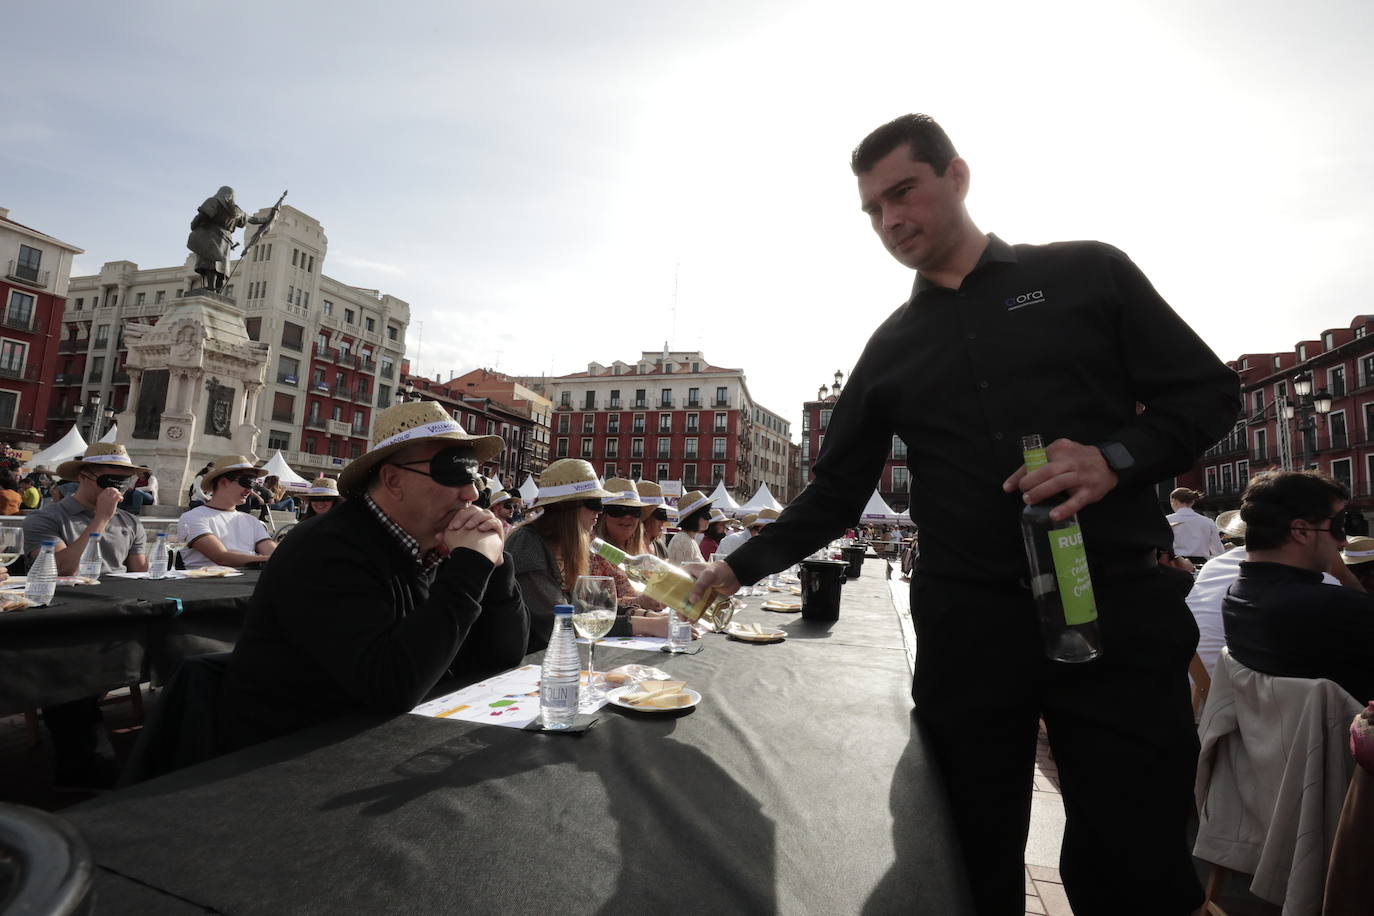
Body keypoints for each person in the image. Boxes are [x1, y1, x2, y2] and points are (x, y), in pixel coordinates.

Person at [688, 113, 1240, 913]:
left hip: (1116, 610)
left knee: (1138, 861)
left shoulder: (1090, 272)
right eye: (874, 210)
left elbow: (1209, 392)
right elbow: (836, 493)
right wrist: (731, 566)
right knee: (960, 857)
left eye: (903, 192)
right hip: (968, 629)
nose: (891, 221)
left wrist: (1113, 458)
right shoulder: (889, 348)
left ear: (958, 175)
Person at [221, 401, 528, 751]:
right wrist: (470, 568)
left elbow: (503, 655)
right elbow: (390, 687)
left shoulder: (440, 545)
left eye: (473, 475)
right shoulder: (325, 549)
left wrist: (496, 566)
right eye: (453, 473)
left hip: (389, 744)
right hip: (287, 760)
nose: (472, 493)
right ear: (393, 480)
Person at [22, 444, 150, 790]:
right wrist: (101, 519)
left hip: (120, 616)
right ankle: (83, 769)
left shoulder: (131, 523)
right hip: (67, 619)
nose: (118, 489)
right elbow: (60, 570)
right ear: (84, 477)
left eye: (125, 481)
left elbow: (141, 575)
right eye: (111, 480)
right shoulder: (45, 519)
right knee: (68, 674)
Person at [1222, 471, 1374, 703]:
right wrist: (1347, 577)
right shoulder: (1336, 607)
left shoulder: (1235, 597)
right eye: (1338, 526)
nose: (1342, 542)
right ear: (1302, 531)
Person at [505, 459, 612, 651]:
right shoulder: (526, 544)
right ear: (566, 508)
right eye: (594, 503)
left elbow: (590, 604)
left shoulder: (569, 546)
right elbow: (559, 620)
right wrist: (640, 625)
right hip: (526, 666)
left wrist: (638, 614)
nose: (600, 511)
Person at [587, 478, 678, 639]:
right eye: (619, 510)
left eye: (635, 511)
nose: (628, 517)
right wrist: (641, 603)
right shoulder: (593, 550)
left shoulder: (638, 549)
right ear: (603, 515)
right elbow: (595, 606)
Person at [177, 456, 276, 569]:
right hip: (204, 584)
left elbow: (272, 551)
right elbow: (221, 557)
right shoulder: (193, 517)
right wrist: (268, 559)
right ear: (224, 482)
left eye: (253, 484)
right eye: (247, 482)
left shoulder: (252, 521)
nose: (250, 490)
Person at [186, 186, 270, 292]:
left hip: (210, 236)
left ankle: (211, 286)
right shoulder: (236, 211)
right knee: (221, 267)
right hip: (226, 240)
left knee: (210, 262)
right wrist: (267, 219)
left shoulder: (213, 201)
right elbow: (252, 219)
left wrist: (194, 225)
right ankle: (218, 289)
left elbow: (202, 216)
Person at [1166, 487, 1224, 567]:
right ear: (1192, 502)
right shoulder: (1208, 521)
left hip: (1177, 564)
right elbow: (1218, 550)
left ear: (1174, 502)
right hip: (1202, 565)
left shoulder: (1167, 520)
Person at [667, 490, 712, 565]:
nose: (710, 518)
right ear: (694, 517)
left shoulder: (688, 539)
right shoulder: (682, 541)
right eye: (706, 514)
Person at [637, 481, 671, 558]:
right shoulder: (630, 546)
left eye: (665, 515)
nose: (664, 521)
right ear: (646, 517)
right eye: (661, 515)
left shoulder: (659, 545)